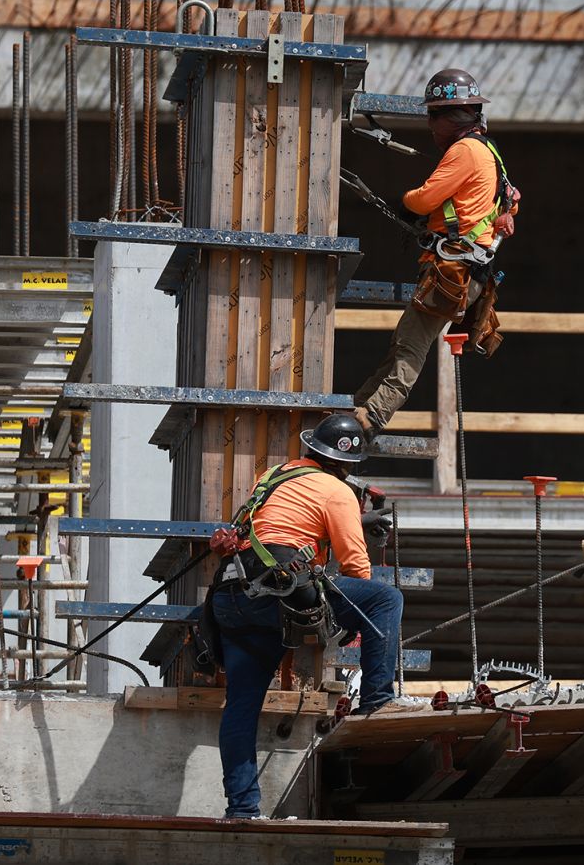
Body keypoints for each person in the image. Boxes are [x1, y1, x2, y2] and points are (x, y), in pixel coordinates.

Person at [206, 414, 403, 819]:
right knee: (386, 600)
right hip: (278, 594)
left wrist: (354, 520)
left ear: (313, 449)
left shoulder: (275, 475)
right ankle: (377, 704)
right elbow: (355, 567)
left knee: (241, 708)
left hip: (233, 593)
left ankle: (242, 810)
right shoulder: (337, 491)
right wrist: (355, 622)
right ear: (346, 463)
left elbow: (280, 527)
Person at [353, 68, 519, 441]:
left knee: (410, 346)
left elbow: (425, 197)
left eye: (432, 115)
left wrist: (407, 202)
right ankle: (359, 407)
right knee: (403, 342)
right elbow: (511, 201)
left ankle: (369, 418)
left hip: (452, 271)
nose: (429, 124)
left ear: (450, 118)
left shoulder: (464, 150)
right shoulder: (490, 151)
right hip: (468, 273)